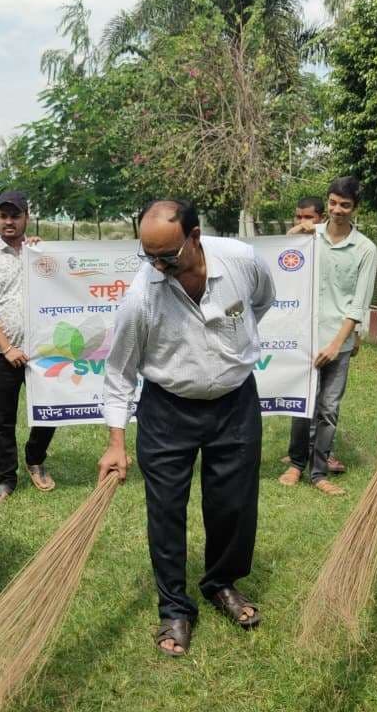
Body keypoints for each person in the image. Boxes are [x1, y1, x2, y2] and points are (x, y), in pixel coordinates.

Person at [98, 199, 275, 657]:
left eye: (167, 257)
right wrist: (116, 442)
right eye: (149, 256)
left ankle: (221, 583)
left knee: (234, 504)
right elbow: (119, 373)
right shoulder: (142, 296)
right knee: (166, 511)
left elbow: (261, 302)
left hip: (235, 403)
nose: (158, 267)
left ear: (195, 236)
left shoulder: (241, 262)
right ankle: (175, 607)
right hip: (167, 411)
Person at [280, 178, 377, 495]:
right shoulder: (312, 237)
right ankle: (296, 464)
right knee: (302, 403)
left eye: (345, 205)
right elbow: (283, 259)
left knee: (328, 408)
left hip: (339, 342)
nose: (337, 210)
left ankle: (319, 472)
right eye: (333, 203)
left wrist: (337, 344)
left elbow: (358, 304)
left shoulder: (365, 249)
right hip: (306, 337)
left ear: (355, 208)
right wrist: (296, 232)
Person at [0, 190, 56, 500]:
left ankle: (36, 459)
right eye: (3, 216)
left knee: (49, 411)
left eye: (15, 216)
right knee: (4, 419)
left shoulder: (41, 253)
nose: (9, 221)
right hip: (3, 354)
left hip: (43, 351)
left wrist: (42, 251)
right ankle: (6, 476)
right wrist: (7, 348)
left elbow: (64, 287)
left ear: (26, 218)